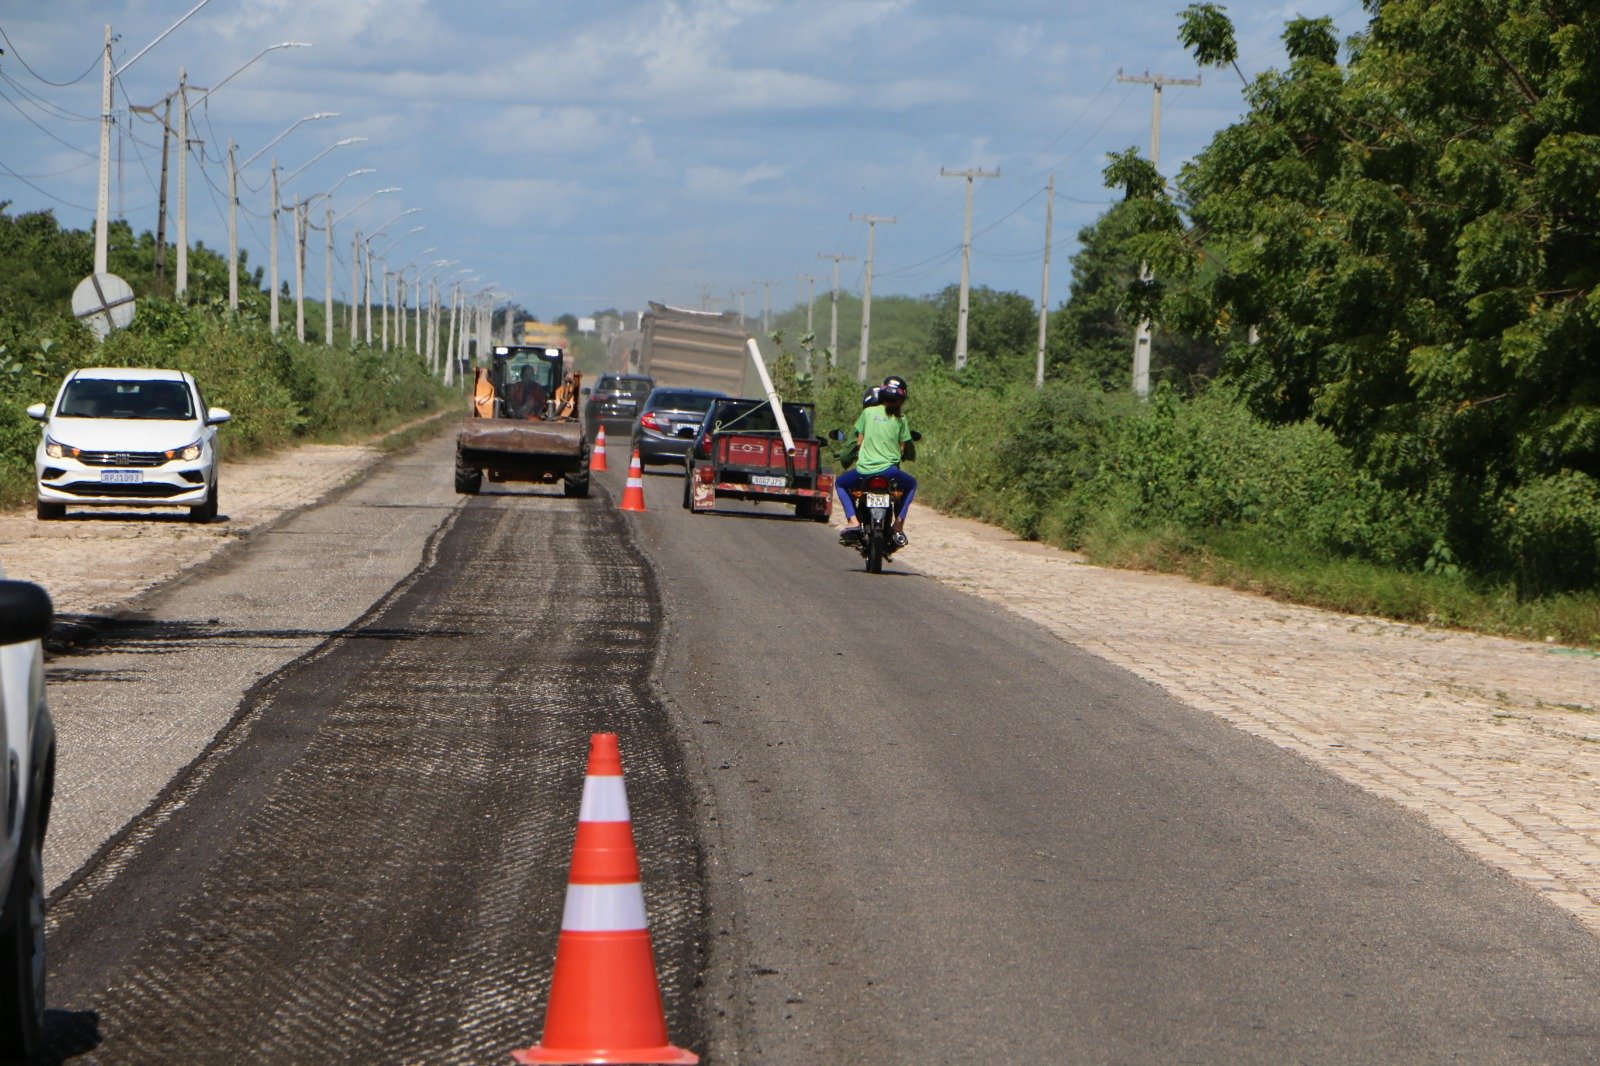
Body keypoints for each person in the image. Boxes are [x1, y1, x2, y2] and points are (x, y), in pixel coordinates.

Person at [836, 379, 916, 547]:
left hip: (863, 471)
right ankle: (898, 524)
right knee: (911, 484)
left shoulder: (868, 413)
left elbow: (859, 441)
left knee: (841, 483)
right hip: (890, 472)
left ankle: (853, 521)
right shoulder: (901, 419)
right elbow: (903, 448)